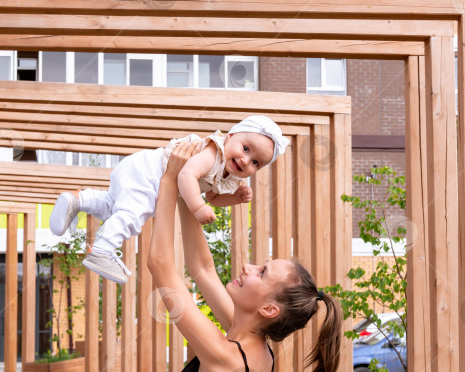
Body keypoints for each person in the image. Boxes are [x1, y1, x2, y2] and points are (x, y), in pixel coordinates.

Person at [147, 138, 343, 372]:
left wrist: (171, 179)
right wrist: (195, 189)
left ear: (269, 309)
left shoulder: (228, 358)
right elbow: (202, 268)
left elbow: (160, 265)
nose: (248, 267)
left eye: (262, 272)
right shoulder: (251, 345)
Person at [48, 115, 290, 284]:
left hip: (139, 173)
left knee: (112, 207)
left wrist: (234, 198)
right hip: (147, 174)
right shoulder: (213, 152)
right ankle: (103, 249)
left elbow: (214, 197)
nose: (246, 161)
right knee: (132, 216)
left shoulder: (228, 176)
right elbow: (186, 175)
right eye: (246, 149)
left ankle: (78, 200)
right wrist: (197, 207)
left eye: (256, 162)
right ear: (230, 136)